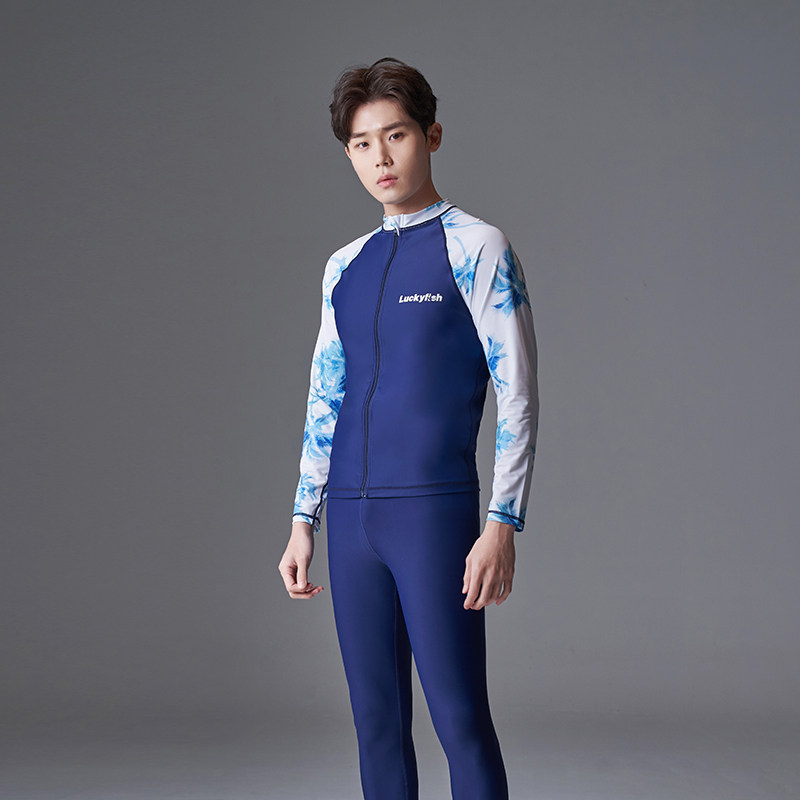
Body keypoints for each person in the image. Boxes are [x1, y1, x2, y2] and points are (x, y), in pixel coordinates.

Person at [278, 57, 539, 800]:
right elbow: (326, 396)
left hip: (431, 514)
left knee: (460, 719)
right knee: (377, 724)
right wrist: (303, 519)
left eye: (396, 135)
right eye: (362, 144)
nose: (380, 158)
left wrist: (503, 523)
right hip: (351, 518)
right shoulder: (344, 266)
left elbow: (519, 394)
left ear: (432, 135)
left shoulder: (477, 247)